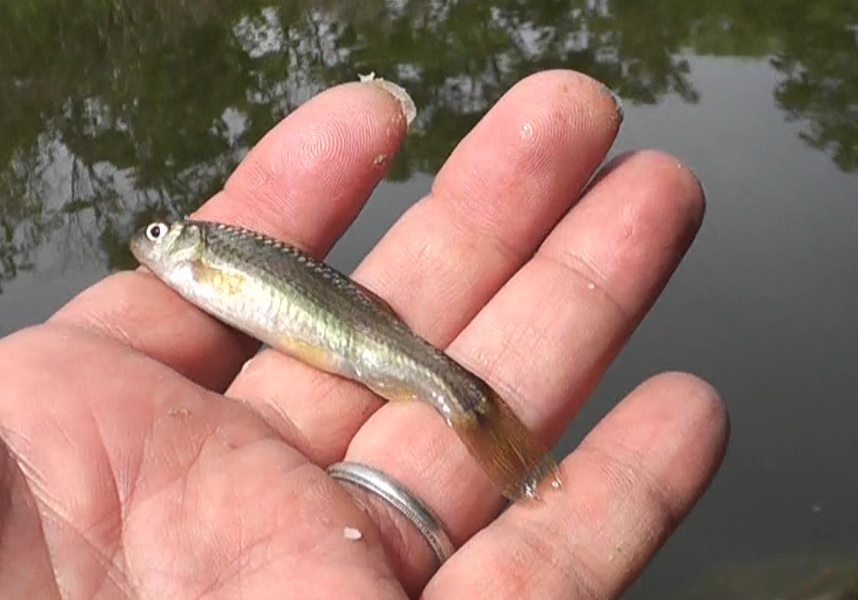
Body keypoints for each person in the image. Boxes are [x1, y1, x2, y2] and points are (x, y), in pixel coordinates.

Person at [0, 70, 727, 599]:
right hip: (361, 339)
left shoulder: (209, 252)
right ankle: (506, 449)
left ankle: (483, 422)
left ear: (186, 241)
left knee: (452, 385)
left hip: (364, 337)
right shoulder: (196, 268)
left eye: (158, 235)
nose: (149, 244)